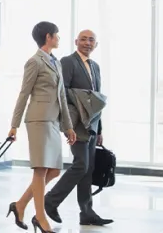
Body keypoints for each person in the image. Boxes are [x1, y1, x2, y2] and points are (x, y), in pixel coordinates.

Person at [7, 21, 76, 233]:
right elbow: (23, 94)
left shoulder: (56, 63)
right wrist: (14, 125)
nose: (59, 38)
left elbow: (62, 96)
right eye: (57, 34)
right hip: (37, 120)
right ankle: (40, 217)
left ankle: (20, 205)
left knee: (54, 170)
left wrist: (68, 127)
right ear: (48, 37)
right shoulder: (34, 62)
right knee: (41, 169)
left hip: (53, 122)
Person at [43, 29, 113, 226]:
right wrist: (67, 123)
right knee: (81, 164)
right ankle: (51, 200)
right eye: (83, 39)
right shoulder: (68, 61)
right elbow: (62, 92)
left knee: (88, 167)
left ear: (96, 44)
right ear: (76, 42)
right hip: (75, 122)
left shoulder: (95, 67)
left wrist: (100, 130)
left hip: (92, 124)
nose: (87, 43)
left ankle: (87, 212)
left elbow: (97, 100)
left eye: (91, 40)